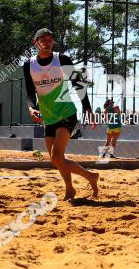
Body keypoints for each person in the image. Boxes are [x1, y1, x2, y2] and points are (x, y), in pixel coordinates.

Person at [24, 28, 99, 200]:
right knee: (55, 160)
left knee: (57, 155)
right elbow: (29, 92)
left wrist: (87, 109)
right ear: (36, 42)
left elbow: (78, 84)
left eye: (50, 38)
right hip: (48, 116)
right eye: (43, 38)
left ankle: (80, 183)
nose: (47, 41)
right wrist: (31, 107)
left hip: (67, 113)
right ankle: (81, 182)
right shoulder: (29, 64)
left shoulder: (62, 59)